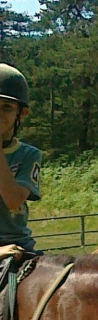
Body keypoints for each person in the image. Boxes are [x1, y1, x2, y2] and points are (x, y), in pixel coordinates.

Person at [0, 63, 41, 256]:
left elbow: (13, 200)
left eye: (6, 107)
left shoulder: (29, 155)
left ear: (21, 114)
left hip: (19, 243)